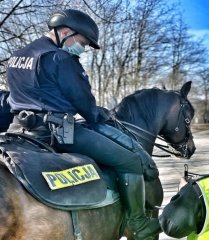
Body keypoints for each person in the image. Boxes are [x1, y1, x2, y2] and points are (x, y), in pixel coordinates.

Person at [6, 9, 161, 240]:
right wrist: (96, 115)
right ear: (65, 32)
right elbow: (83, 101)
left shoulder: (17, 56)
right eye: (82, 42)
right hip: (56, 132)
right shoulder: (60, 58)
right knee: (129, 161)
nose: (83, 48)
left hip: (19, 129)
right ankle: (138, 223)